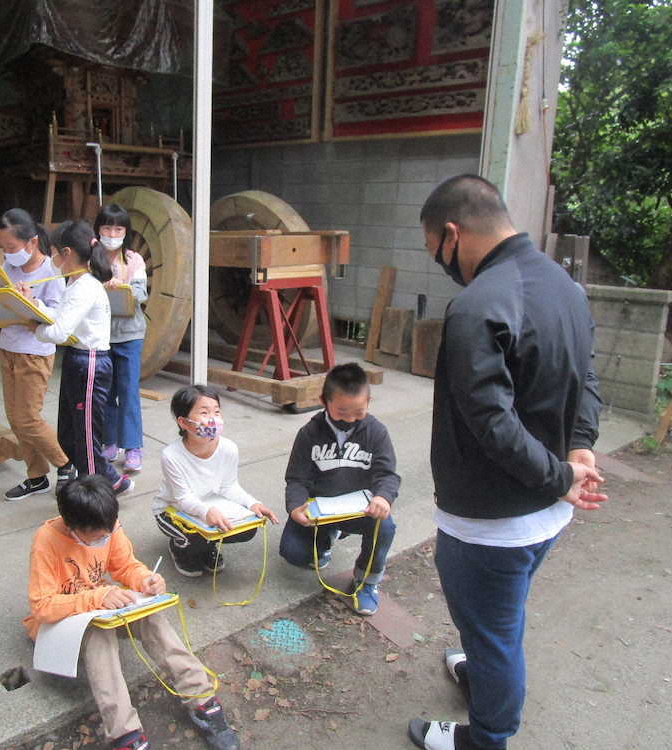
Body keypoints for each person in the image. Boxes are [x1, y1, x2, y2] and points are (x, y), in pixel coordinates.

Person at [407, 175, 607, 750]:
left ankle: (487, 736)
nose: (441, 263)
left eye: (435, 250)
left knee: (493, 632)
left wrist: (559, 474)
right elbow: (587, 376)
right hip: (547, 512)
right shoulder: (564, 286)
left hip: (492, 520)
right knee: (499, 617)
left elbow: (489, 421)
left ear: (453, 234)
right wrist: (578, 447)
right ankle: (483, 674)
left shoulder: (477, 305)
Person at [22, 475, 241, 750]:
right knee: (99, 637)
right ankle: (124, 733)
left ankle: (201, 697)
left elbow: (125, 565)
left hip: (100, 607)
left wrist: (145, 579)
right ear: (72, 526)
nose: (106, 538)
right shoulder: (46, 540)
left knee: (150, 617)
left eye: (108, 532)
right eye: (98, 537)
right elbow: (42, 606)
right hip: (60, 622)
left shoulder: (108, 525)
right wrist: (98, 596)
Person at [279, 363, 400, 615]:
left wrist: (383, 497)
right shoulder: (309, 433)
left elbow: (387, 474)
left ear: (368, 402)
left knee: (385, 526)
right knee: (293, 553)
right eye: (342, 412)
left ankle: (366, 582)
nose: (350, 419)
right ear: (324, 401)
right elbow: (297, 478)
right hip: (321, 509)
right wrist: (296, 507)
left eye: (358, 412)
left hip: (360, 509)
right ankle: (327, 536)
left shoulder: (376, 432)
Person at [28, 220, 132, 496]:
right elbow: (60, 316)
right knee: (70, 431)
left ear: (67, 253)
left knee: (85, 435)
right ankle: (100, 482)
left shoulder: (85, 287)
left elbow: (59, 331)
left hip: (90, 363)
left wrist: (34, 328)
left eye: (53, 253)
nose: (51, 260)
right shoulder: (74, 284)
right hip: (79, 360)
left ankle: (99, 491)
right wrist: (33, 304)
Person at [0, 208, 75, 500]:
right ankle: (36, 476)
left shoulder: (52, 271)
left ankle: (66, 465)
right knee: (15, 418)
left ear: (32, 242)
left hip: (35, 352)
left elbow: (57, 315)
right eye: (3, 248)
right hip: (8, 347)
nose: (7, 253)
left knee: (28, 418)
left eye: (11, 247)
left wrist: (30, 303)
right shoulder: (6, 266)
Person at [153, 385, 278, 577]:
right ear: (183, 422)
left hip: (208, 503)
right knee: (193, 538)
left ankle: (208, 543)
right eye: (204, 413)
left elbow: (229, 486)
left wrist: (252, 504)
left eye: (217, 412)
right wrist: (206, 512)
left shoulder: (229, 448)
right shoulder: (171, 455)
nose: (213, 419)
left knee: (247, 529)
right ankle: (180, 547)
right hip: (171, 509)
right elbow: (183, 498)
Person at [95, 204, 148, 472]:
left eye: (118, 229)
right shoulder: (91, 258)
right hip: (100, 335)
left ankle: (133, 447)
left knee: (128, 392)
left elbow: (140, 294)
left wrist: (121, 287)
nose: (112, 234)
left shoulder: (133, 260)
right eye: (107, 228)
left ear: (126, 232)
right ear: (98, 229)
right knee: (105, 393)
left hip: (129, 335)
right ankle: (109, 442)